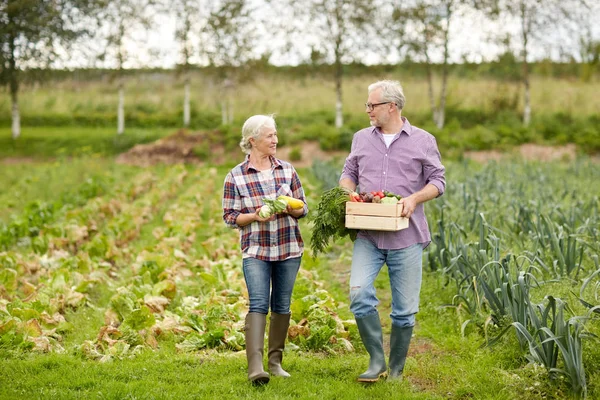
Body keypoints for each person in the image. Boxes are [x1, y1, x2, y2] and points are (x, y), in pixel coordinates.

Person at [339, 80, 446, 383]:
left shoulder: (423, 140)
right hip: (368, 234)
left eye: (372, 105)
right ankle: (376, 362)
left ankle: (396, 371)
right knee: (358, 294)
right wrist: (347, 191)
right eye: (367, 105)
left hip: (407, 236)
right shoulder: (361, 138)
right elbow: (349, 174)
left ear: (392, 107)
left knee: (404, 311)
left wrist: (413, 198)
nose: (367, 110)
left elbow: (438, 181)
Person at [222, 114, 308, 385]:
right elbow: (229, 216)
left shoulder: (287, 170)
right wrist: (256, 216)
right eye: (270, 136)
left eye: (275, 135)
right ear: (253, 140)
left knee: (281, 304)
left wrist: (290, 205)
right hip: (256, 249)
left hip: (288, 247)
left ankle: (275, 363)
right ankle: (255, 367)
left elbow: (303, 207)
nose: (275, 140)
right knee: (258, 303)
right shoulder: (235, 176)